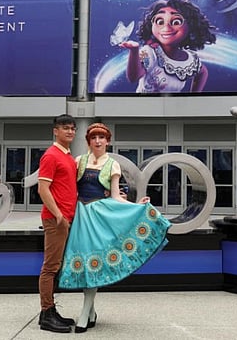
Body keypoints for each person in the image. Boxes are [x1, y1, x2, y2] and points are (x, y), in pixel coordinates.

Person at [59, 123, 171, 332]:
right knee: (84, 262)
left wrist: (137, 207)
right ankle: (90, 312)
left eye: (102, 137)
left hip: (100, 217)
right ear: (89, 141)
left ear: (108, 141)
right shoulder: (78, 161)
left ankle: (85, 313)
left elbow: (116, 196)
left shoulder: (113, 165)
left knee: (94, 262)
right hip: (81, 217)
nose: (98, 141)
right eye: (94, 137)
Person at [119, 0, 216, 93]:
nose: (166, 27)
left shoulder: (190, 58)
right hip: (145, 106)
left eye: (176, 22)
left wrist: (193, 97)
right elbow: (134, 77)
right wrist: (134, 51)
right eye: (160, 21)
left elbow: (202, 72)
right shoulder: (150, 52)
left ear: (190, 25)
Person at [36, 114, 79, 333]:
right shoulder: (51, 156)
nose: (70, 132)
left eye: (72, 128)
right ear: (55, 131)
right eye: (65, 128)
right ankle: (46, 314)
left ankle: (51, 311)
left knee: (57, 266)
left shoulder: (69, 157)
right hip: (55, 220)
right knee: (50, 267)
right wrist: (59, 215)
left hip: (66, 219)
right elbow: (42, 189)